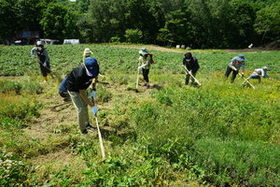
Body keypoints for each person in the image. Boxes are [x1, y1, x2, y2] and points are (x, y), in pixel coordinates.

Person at [66, 57, 99, 134]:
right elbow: (81, 93)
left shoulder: (95, 67)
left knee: (85, 105)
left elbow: (95, 78)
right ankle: (83, 130)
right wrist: (92, 105)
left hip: (82, 87)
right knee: (81, 108)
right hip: (73, 89)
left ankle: (87, 124)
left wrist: (93, 89)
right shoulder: (80, 75)